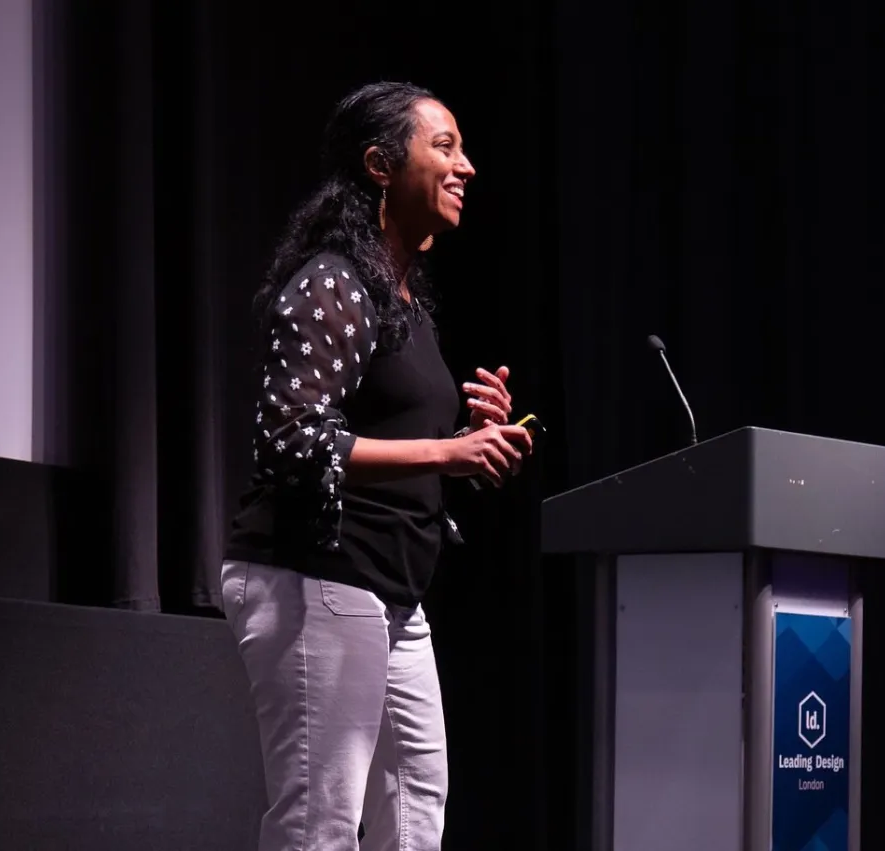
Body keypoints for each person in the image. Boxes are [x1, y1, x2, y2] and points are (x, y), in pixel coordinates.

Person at [220, 81, 533, 851]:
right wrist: (445, 449)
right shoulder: (334, 281)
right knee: (318, 823)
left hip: (393, 590)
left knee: (417, 814)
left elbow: (387, 437)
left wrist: (472, 437)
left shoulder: (405, 302)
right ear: (380, 165)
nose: (467, 168)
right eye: (445, 147)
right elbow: (291, 439)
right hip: (317, 575)